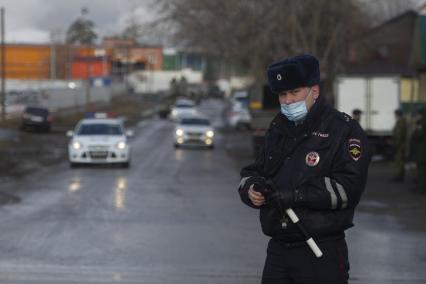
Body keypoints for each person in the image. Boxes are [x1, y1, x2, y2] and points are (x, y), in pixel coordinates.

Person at [238, 54, 370, 284]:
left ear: (314, 92)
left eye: (295, 92)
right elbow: (255, 170)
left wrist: (296, 196)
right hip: (278, 249)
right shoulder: (278, 128)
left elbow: (349, 188)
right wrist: (251, 188)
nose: (288, 101)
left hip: (320, 249)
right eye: (282, 94)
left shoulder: (343, 130)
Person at [411, 108, 426, 192]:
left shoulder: (422, 122)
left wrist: (414, 132)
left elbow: (418, 135)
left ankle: (421, 188)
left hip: (422, 151)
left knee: (421, 171)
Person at [391, 109, 407, 182]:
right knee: (400, 161)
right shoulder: (402, 121)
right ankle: (400, 176)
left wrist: (395, 145)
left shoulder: (400, 122)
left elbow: (399, 135)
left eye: (395, 114)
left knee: (399, 161)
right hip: (401, 145)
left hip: (400, 145)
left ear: (397, 114)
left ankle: (399, 176)